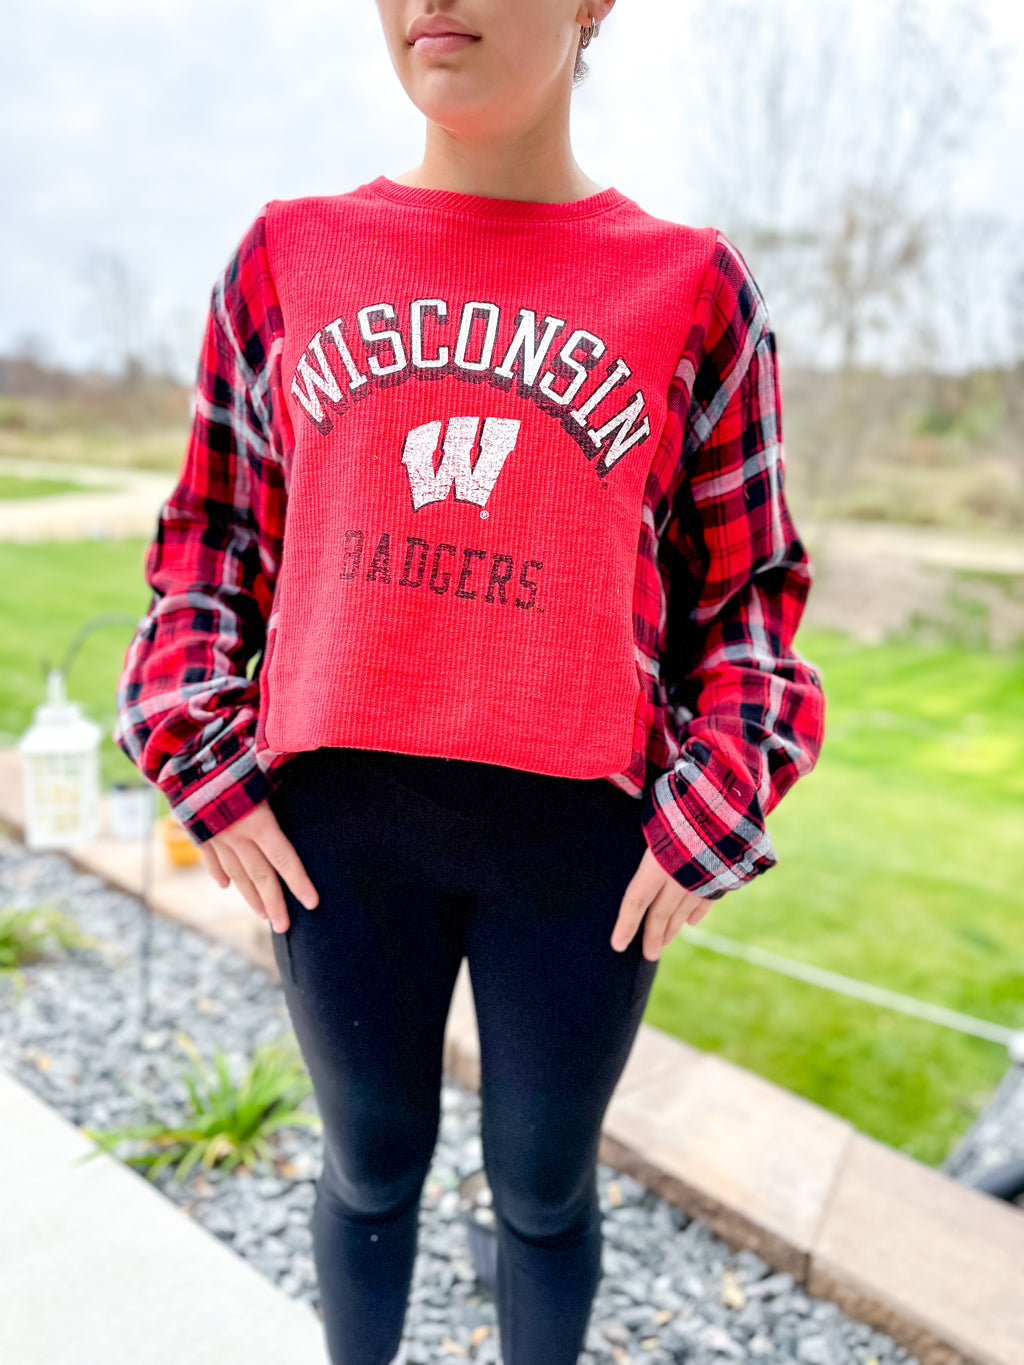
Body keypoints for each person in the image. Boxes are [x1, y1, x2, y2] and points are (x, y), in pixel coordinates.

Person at [113, 3, 826, 1362]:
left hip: (581, 848)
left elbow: (747, 597)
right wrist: (196, 750)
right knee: (370, 1157)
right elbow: (213, 538)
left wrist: (718, 796)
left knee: (544, 1185)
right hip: (335, 830)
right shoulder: (288, 258)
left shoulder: (692, 288)